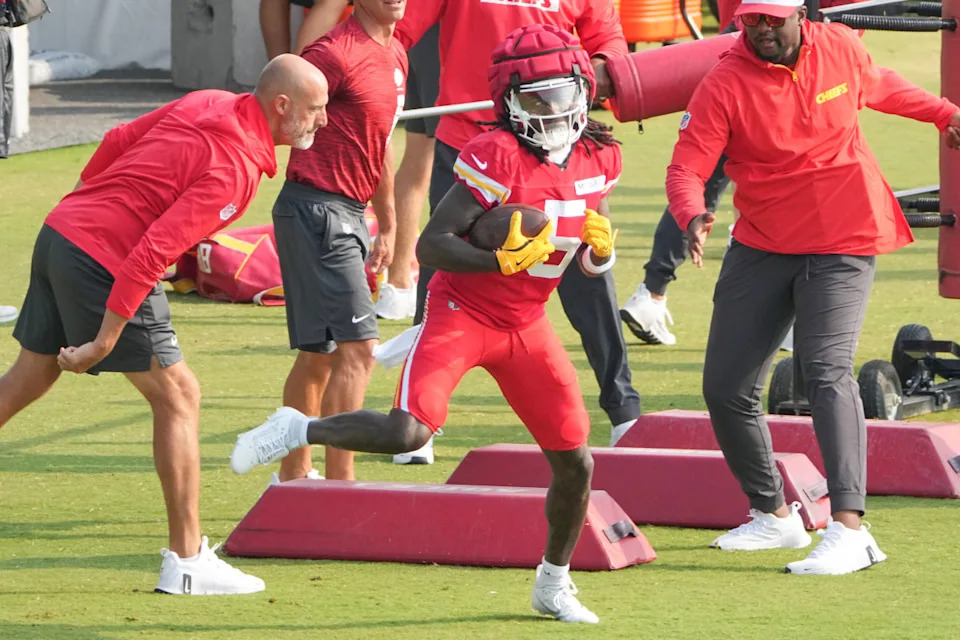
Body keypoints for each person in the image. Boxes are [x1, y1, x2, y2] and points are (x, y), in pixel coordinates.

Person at [232, 25, 622, 623]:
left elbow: (584, 261)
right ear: (510, 102)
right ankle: (297, 429)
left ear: (584, 91)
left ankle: (553, 582)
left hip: (528, 321)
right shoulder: (496, 153)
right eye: (537, 98)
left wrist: (600, 255)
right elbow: (432, 245)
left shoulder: (600, 155)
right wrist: (496, 261)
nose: (552, 110)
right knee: (408, 433)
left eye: (561, 95)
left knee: (576, 461)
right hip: (465, 311)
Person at [0, 54, 330, 594]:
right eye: (315, 109)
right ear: (281, 106)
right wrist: (103, 341)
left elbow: (117, 139)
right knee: (179, 396)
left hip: (62, 231)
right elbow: (152, 252)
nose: (323, 120)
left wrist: (88, 204)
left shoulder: (210, 99)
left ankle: (189, 558)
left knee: (30, 377)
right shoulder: (236, 170)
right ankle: (187, 561)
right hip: (105, 257)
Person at [668, 0, 960, 574]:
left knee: (825, 372)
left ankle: (851, 530)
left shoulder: (840, 45)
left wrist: (944, 113)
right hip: (763, 242)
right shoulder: (723, 83)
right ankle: (774, 516)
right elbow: (687, 165)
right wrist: (691, 213)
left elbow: (881, 85)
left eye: (772, 19)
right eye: (751, 20)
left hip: (844, 235)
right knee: (725, 388)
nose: (761, 29)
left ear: (799, 16)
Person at [371, 0, 643, 448]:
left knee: (590, 280)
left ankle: (623, 411)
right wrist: (376, 74)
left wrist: (584, 75)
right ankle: (419, 415)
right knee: (445, 274)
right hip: (470, 138)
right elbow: (398, 29)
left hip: (556, 136)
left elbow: (609, 40)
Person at [268, 0, 406, 484]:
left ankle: (292, 477)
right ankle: (341, 488)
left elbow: (379, 141)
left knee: (320, 355)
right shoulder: (332, 53)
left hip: (345, 213)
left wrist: (388, 222)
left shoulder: (397, 54)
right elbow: (271, 109)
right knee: (358, 351)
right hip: (316, 211)